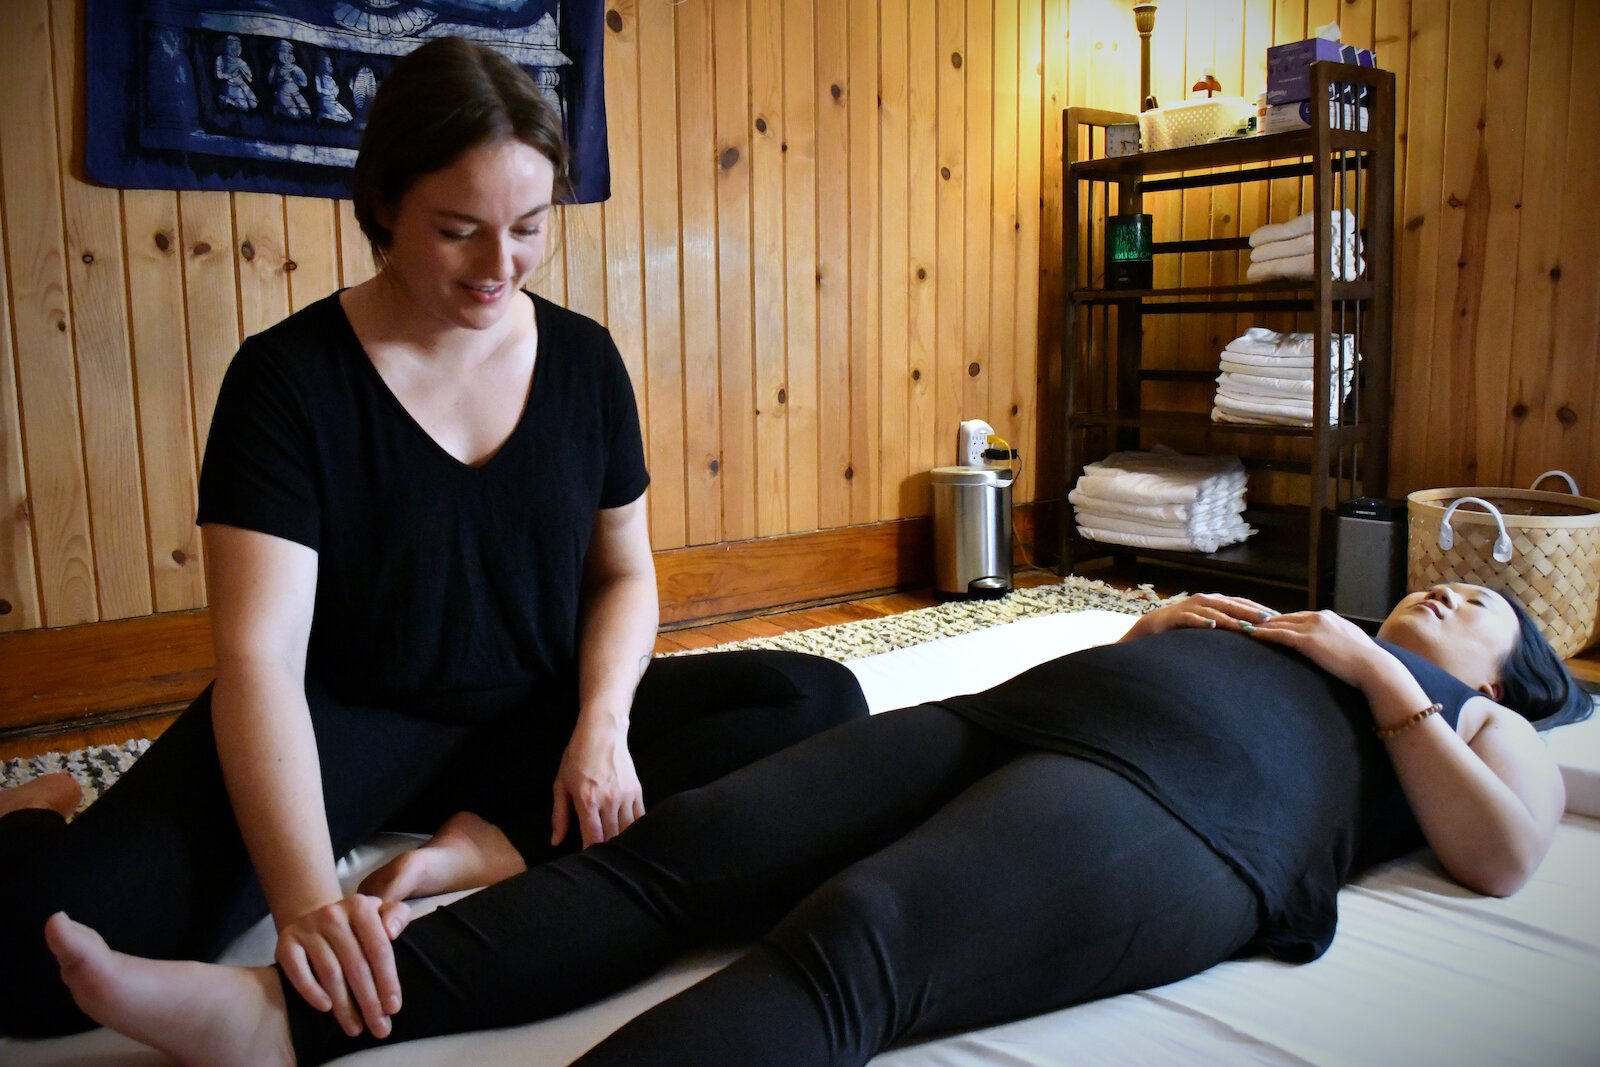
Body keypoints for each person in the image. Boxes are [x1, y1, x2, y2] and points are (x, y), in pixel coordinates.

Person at [0, 37, 866, 1040]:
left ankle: (493, 842)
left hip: (529, 722)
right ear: (385, 208)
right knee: (29, 970)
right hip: (338, 724)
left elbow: (624, 573)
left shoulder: (583, 362)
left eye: (529, 228)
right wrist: (305, 903)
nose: (500, 267)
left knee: (818, 702)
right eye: (459, 231)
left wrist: (601, 724)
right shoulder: (287, 381)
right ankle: (33, 813)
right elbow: (260, 661)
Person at [39, 582, 1591, 1065]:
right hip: (1028, 714)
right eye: (1431, 586)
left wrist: (1377, 671)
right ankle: (276, 1017)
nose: (1446, 594)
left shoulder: (1484, 720)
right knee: (677, 857)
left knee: (844, 949)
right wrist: (1169, 635)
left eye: (1483, 606)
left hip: (1188, 813)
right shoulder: (1306, 614)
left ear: (1508, 664)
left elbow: (1510, 850)